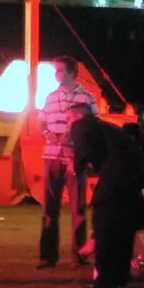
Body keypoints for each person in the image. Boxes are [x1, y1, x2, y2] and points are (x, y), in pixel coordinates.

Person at [72, 115, 144, 288]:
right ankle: (120, 277)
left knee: (105, 232)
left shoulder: (84, 128)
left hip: (114, 191)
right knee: (123, 235)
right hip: (132, 194)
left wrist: (77, 167)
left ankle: (106, 280)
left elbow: (83, 151)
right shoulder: (129, 147)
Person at [36, 54, 98, 269]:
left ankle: (79, 255)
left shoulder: (87, 98)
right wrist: (47, 133)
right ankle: (47, 256)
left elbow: (93, 128)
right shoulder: (50, 96)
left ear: (72, 73)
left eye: (59, 70)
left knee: (78, 209)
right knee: (49, 208)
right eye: (55, 70)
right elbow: (41, 121)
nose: (56, 74)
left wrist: (73, 137)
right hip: (51, 156)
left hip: (75, 158)